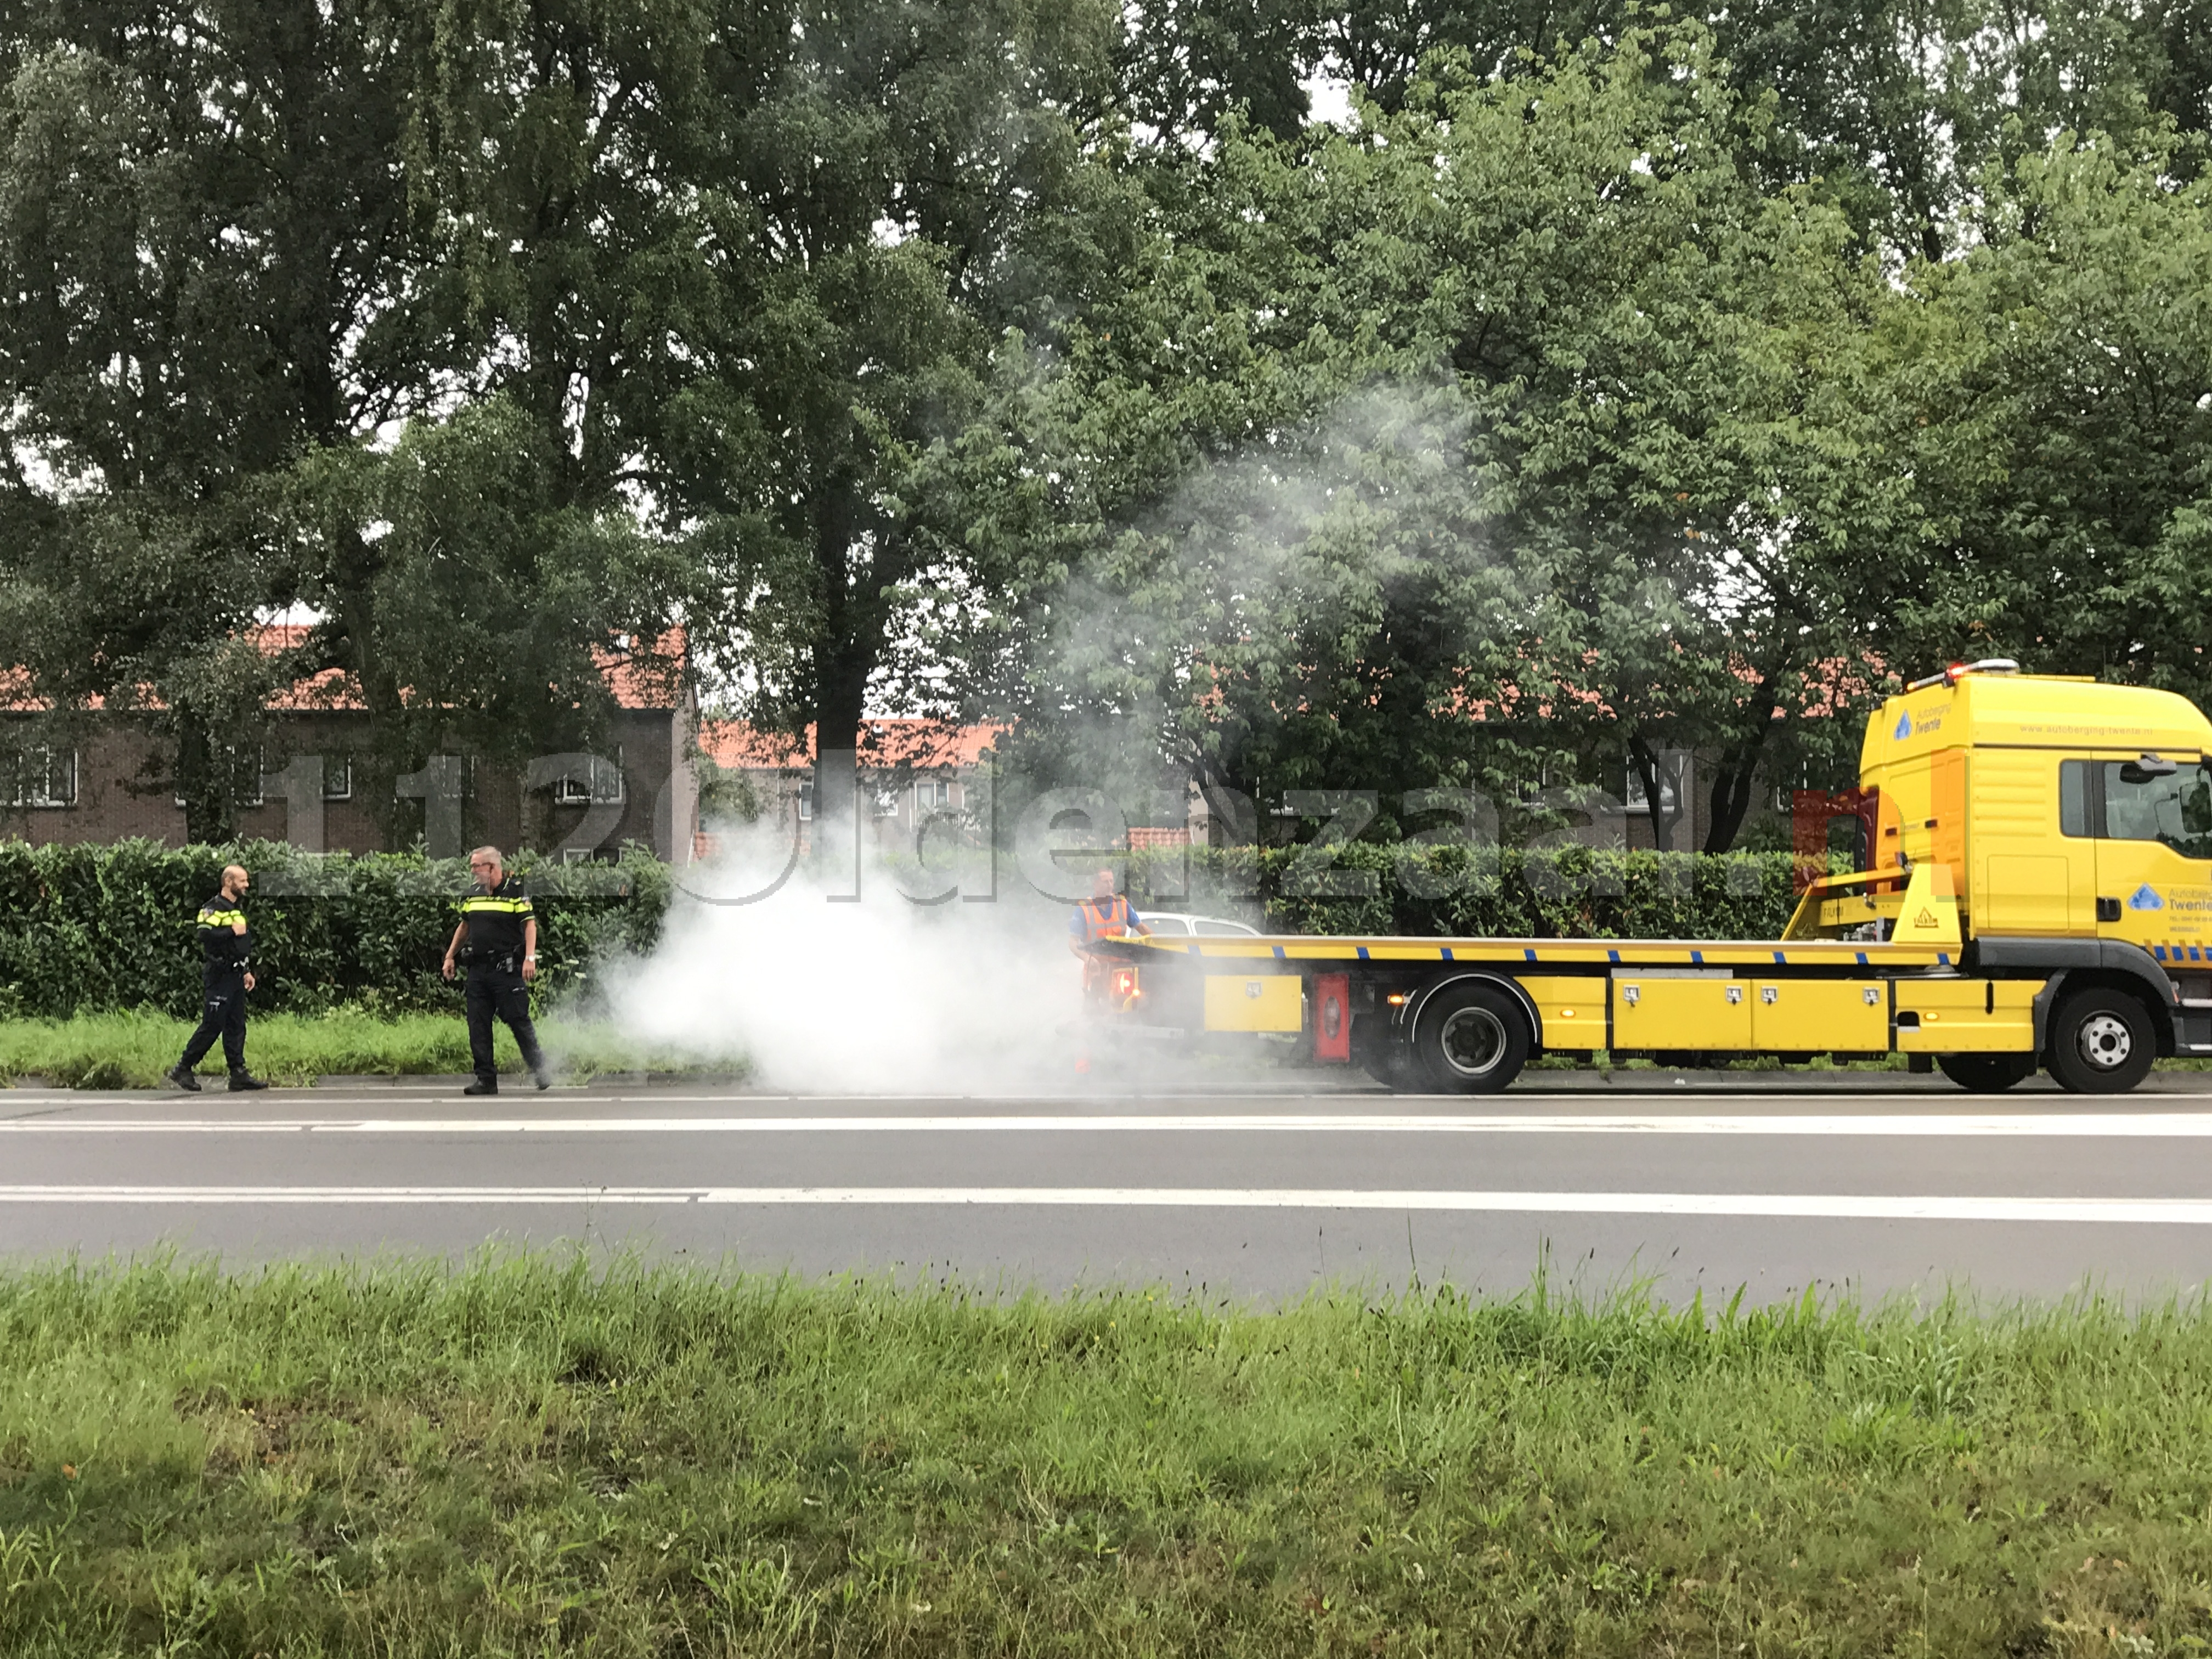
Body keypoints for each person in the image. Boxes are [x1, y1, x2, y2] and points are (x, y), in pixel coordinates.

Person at [442, 846, 552, 1096]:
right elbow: (465, 926)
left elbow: (530, 926)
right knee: (478, 1025)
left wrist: (530, 958)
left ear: (492, 867)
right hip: (478, 971)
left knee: (518, 1020)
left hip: (506, 971)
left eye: (476, 866)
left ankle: (541, 1070)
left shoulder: (515, 892)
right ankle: (486, 1080)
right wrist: (450, 956)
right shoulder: (474, 894)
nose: (473, 871)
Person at [166, 862, 268, 1092]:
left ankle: (238, 1074)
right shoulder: (213, 908)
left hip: (235, 975)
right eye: (242, 881)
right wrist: (232, 931)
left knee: (236, 1025)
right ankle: (183, 1067)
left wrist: (246, 970)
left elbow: (238, 945)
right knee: (212, 1025)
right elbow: (205, 935)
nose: (247, 885)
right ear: (229, 882)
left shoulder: (235, 908)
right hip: (219, 975)